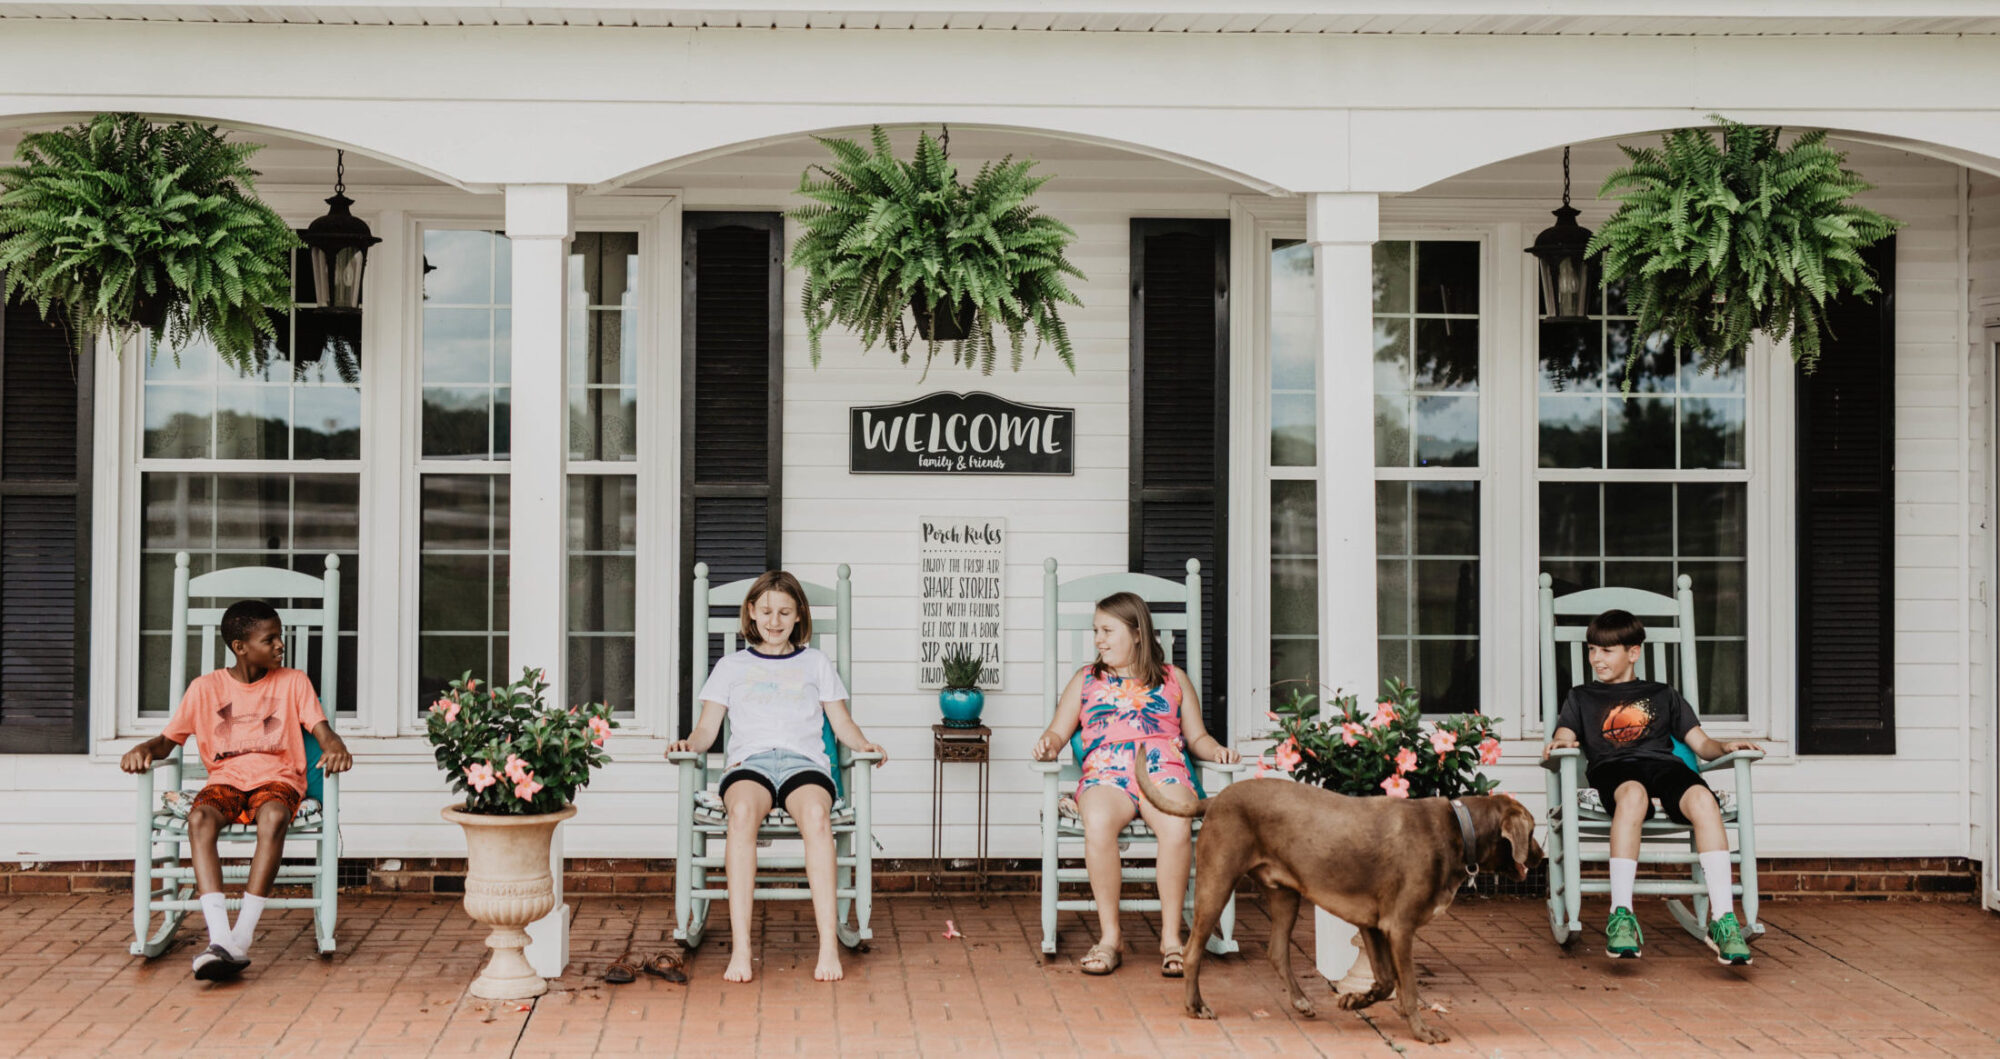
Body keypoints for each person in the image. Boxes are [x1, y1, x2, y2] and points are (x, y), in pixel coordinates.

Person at [667, 570, 886, 983]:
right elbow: (707, 730)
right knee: (743, 812)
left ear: (799, 616)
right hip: (751, 764)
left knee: (818, 820)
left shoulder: (816, 663)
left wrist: (864, 746)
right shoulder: (730, 666)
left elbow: (841, 723)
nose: (774, 620)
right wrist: (688, 745)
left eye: (785, 612)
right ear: (751, 612)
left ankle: (826, 946)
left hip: (805, 765)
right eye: (766, 610)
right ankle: (742, 949)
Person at [120, 600, 353, 980]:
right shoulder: (205, 689)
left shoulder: (294, 682)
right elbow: (168, 742)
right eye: (271, 638)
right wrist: (145, 749)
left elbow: (322, 730)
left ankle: (239, 937)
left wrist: (335, 747)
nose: (281, 645)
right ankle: (219, 937)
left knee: (275, 814)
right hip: (225, 781)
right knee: (199, 818)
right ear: (240, 647)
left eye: (281, 636)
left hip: (278, 779)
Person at [1031, 591, 1239, 977]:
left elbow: (1196, 738)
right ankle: (1111, 938)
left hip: (1164, 768)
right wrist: (1049, 745)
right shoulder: (1086, 680)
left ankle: (1172, 939)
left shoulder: (1174, 680)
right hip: (1107, 773)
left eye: (1108, 630)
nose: (1099, 639)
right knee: (1096, 821)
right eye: (1096, 631)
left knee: (1177, 824)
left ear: (1137, 632)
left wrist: (1216, 752)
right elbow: (1059, 731)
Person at [1541, 608, 1759, 965]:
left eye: (1606, 650)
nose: (1596, 658)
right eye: (1591, 650)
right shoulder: (1580, 697)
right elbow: (1565, 734)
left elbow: (1701, 744)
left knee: (1704, 800)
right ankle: (1621, 915)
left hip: (1664, 766)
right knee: (1633, 796)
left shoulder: (1663, 694)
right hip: (1614, 769)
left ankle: (1724, 920)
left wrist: (1725, 747)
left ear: (1633, 652)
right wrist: (1558, 743)